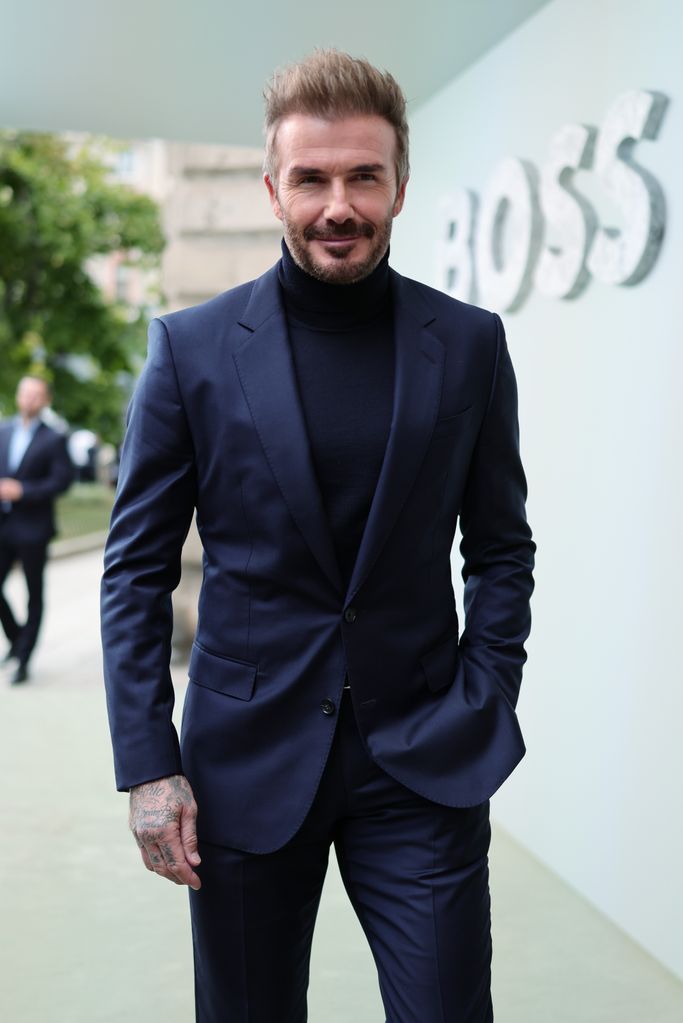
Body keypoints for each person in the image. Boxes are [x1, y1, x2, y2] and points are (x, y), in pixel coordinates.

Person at [101, 50, 535, 1023]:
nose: (336, 205)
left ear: (399, 185)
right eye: (310, 178)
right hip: (242, 766)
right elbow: (133, 571)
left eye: (361, 176)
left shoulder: (466, 344)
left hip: (423, 758)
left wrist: (485, 689)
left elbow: (500, 546)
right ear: (271, 189)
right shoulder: (189, 352)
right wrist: (147, 765)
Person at [0, 376, 73, 684]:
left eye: (36, 395)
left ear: (45, 400)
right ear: (18, 396)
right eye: (25, 393)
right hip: (3, 526)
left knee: (34, 595)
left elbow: (62, 481)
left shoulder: (55, 438)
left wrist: (23, 491)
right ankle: (18, 639)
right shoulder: (2, 431)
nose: (29, 400)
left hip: (33, 528)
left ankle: (24, 658)